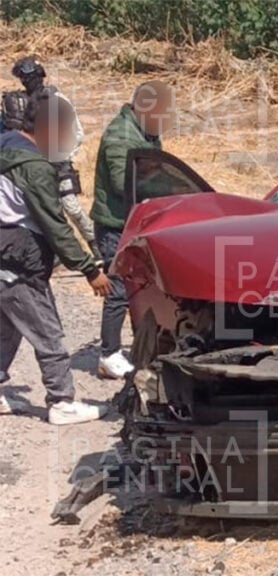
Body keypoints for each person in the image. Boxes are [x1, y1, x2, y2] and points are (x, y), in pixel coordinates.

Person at [0, 93, 113, 425]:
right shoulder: (34, 167)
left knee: (7, 329)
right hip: (18, 262)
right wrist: (90, 269)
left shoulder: (7, 145)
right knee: (48, 333)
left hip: (4, 256)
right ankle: (62, 401)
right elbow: (55, 226)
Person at [91, 81, 174, 379]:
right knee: (118, 289)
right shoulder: (120, 136)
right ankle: (108, 354)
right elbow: (123, 182)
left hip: (136, 221)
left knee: (144, 288)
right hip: (115, 224)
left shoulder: (146, 132)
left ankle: (146, 346)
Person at [8, 57, 97, 261]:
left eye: (30, 77)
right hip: (31, 164)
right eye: (24, 78)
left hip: (58, 162)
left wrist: (61, 155)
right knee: (37, 209)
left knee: (72, 208)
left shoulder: (56, 99)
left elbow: (77, 133)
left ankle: (96, 247)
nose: (27, 82)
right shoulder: (16, 102)